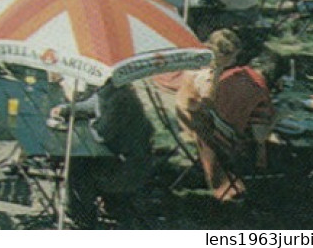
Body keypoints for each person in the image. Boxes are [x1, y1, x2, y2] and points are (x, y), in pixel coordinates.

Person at [179, 29, 274, 202]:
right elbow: (210, 106)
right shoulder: (207, 76)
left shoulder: (199, 65)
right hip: (199, 128)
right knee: (246, 118)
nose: (235, 61)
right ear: (223, 55)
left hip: (187, 117)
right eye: (233, 57)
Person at [49, 80, 155, 225]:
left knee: (77, 168)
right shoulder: (111, 89)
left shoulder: (120, 99)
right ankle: (86, 209)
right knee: (79, 161)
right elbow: (90, 105)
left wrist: (91, 123)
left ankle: (82, 218)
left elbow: (101, 134)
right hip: (119, 156)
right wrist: (65, 109)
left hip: (128, 169)